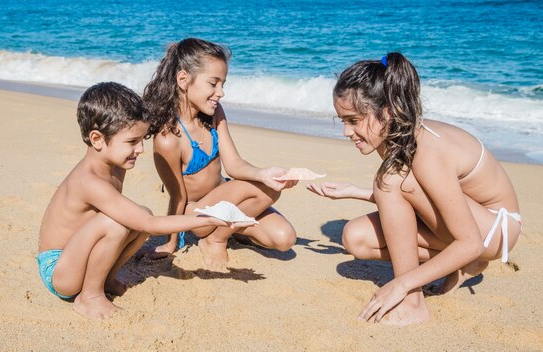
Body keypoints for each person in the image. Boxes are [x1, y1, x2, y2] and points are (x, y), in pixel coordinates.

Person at [307, 53, 521, 325]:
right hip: (471, 222)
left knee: (388, 180)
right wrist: (355, 191)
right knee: (355, 237)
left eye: (353, 121)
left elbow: (470, 242)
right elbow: (415, 198)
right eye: (342, 121)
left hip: (495, 230)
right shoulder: (393, 136)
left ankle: (413, 302)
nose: (346, 132)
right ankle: (457, 265)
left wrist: (401, 284)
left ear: (385, 113)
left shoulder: (427, 151)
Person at [38, 82, 251, 319]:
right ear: (97, 139)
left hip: (78, 257)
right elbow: (148, 224)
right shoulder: (89, 181)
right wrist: (207, 219)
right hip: (59, 270)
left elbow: (142, 220)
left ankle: (105, 280)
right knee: (118, 223)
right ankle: (89, 297)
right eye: (131, 142)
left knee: (139, 213)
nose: (140, 149)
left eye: (142, 140)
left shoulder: (114, 163)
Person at [142, 38, 297, 271]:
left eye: (223, 84)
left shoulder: (214, 115)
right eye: (213, 84)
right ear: (183, 80)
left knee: (284, 238)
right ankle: (215, 238)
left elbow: (234, 165)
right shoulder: (168, 139)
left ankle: (228, 228)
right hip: (198, 214)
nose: (221, 93)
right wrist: (170, 243)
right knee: (270, 188)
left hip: (228, 196)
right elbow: (178, 198)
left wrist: (263, 173)